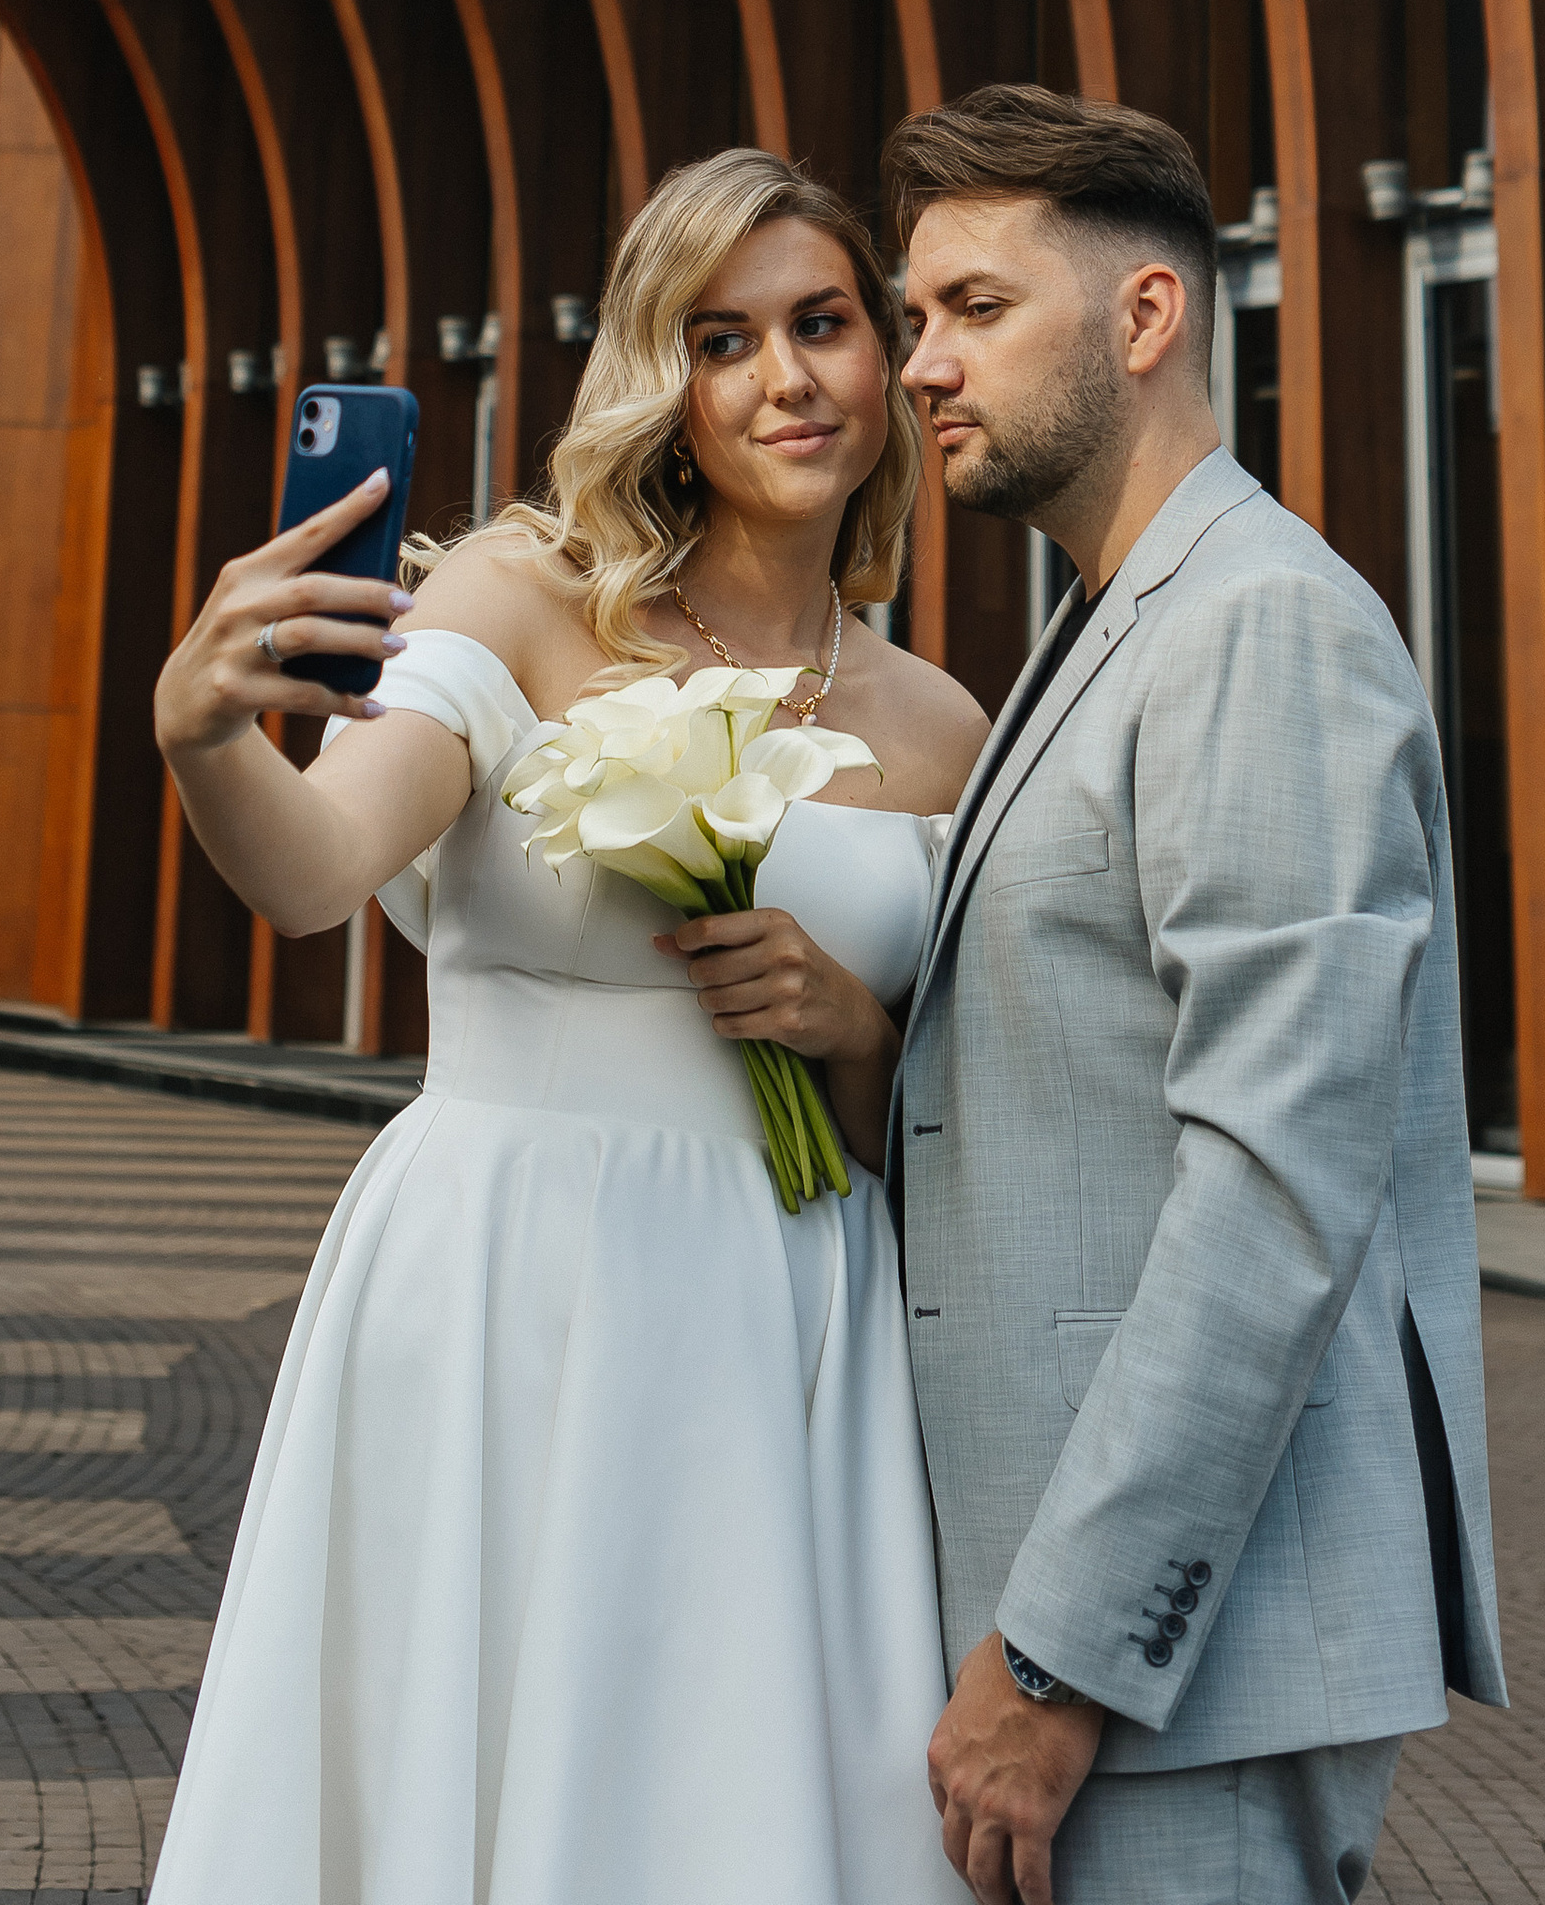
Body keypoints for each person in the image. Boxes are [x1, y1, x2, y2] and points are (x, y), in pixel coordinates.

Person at [148, 146, 991, 1905]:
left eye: (822, 323)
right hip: (510, 1288)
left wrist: (848, 1029)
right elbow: (312, 872)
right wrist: (207, 737)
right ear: (659, 382)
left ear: (882, 360)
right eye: (722, 337)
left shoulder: (941, 724)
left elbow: (968, 1117)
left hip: (788, 1324)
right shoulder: (518, 604)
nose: (785, 377)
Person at [886, 84, 1505, 1905]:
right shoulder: (1110, 622)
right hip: (1114, 1667)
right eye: (917, 315)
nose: (925, 364)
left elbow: (1276, 1190)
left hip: (1179, 1678)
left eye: (977, 308)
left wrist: (1060, 1650)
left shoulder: (1260, 628)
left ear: (1144, 316)